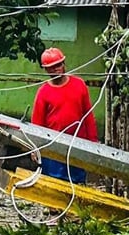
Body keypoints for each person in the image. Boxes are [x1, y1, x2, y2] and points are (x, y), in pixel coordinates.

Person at [31, 47, 97, 184]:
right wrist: (34, 147)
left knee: (77, 182)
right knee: (53, 184)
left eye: (59, 65)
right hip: (53, 146)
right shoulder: (43, 92)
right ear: (46, 70)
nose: (57, 69)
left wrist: (93, 142)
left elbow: (88, 116)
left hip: (77, 144)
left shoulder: (79, 85)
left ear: (64, 64)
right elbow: (37, 124)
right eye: (52, 67)